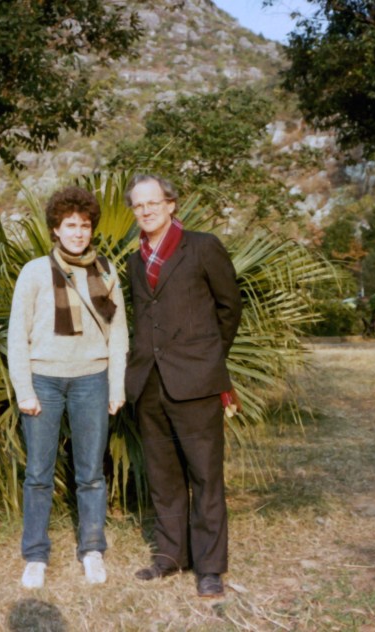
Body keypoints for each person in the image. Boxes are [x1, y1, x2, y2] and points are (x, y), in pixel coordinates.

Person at [124, 174, 242, 598]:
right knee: (163, 474)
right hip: (149, 384)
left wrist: (208, 357)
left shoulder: (203, 246)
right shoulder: (134, 261)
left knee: (206, 475)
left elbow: (230, 307)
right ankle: (171, 556)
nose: (147, 210)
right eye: (139, 206)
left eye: (154, 202)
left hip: (196, 380)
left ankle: (209, 567)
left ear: (171, 204)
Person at [7, 185, 128, 589]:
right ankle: (36, 555)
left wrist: (115, 386)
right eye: (70, 225)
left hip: (91, 380)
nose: (78, 233)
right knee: (39, 473)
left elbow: (119, 334)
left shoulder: (106, 272)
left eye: (85, 225)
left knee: (91, 472)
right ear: (55, 229)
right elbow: (16, 335)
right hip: (44, 381)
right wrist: (24, 389)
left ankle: (92, 549)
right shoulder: (35, 272)